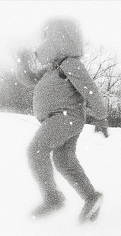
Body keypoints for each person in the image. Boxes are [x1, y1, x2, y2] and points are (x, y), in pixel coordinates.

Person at [16, 17, 108, 223]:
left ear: (59, 39)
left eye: (47, 38)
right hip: (62, 119)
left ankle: (52, 197)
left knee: (36, 150)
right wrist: (21, 62)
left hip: (66, 117)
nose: (42, 44)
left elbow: (90, 90)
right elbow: (29, 80)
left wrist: (101, 116)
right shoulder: (51, 69)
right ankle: (91, 198)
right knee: (64, 160)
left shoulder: (70, 64)